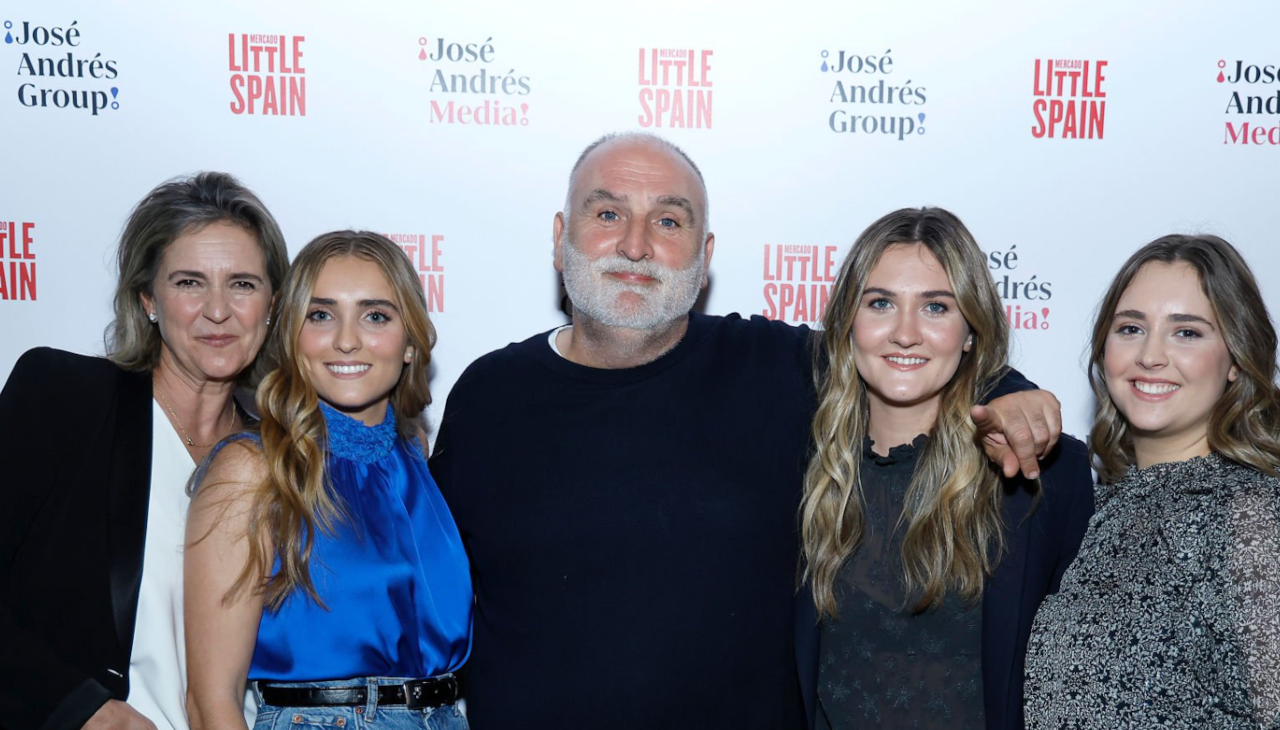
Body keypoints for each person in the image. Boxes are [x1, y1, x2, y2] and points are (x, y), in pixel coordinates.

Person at [428, 132, 1062, 729]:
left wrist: (1013, 397)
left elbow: (905, 354)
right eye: (608, 214)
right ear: (561, 236)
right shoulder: (488, 395)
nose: (636, 245)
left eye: (669, 221)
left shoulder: (772, 364)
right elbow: (428, 590)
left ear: (704, 258)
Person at [0, 172, 288, 730]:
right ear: (147, 299)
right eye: (189, 282)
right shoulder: (65, 399)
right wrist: (79, 708)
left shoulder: (286, 451)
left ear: (273, 305)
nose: (218, 310)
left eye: (243, 284)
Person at [793, 208, 1094, 730]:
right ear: (847, 321)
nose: (905, 333)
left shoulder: (1040, 477)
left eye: (935, 307)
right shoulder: (798, 461)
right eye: (881, 303)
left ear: (971, 331)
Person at [184, 231, 471, 730]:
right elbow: (212, 702)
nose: (346, 339)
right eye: (321, 315)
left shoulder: (413, 455)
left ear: (409, 342)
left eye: (375, 315)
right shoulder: (251, 468)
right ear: (291, 334)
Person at [1024, 234, 1280, 728]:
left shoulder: (1251, 516)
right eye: (1130, 328)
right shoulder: (1102, 507)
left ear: (1235, 358)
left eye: (1187, 333)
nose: (1151, 356)